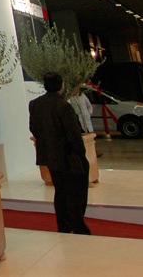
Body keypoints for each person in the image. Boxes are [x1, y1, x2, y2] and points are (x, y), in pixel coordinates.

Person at [29, 72, 91, 234]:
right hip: (69, 157)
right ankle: (78, 226)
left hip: (50, 156)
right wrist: (80, 154)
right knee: (75, 193)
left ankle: (64, 225)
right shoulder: (63, 106)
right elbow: (73, 135)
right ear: (61, 85)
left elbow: (34, 129)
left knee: (61, 191)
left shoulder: (35, 104)